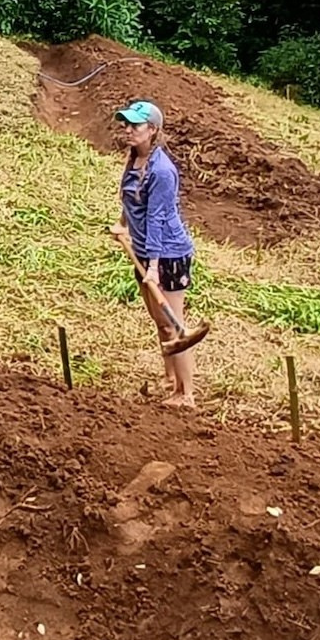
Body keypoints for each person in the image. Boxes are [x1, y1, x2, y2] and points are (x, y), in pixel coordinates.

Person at [112, 98, 204, 408]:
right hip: (144, 249)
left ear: (153, 129)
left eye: (135, 125)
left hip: (167, 254)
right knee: (160, 321)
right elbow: (133, 200)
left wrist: (152, 266)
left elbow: (158, 218)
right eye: (125, 123)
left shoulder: (162, 171)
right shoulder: (135, 159)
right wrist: (123, 224)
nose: (128, 129)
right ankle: (170, 380)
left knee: (176, 326)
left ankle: (186, 393)